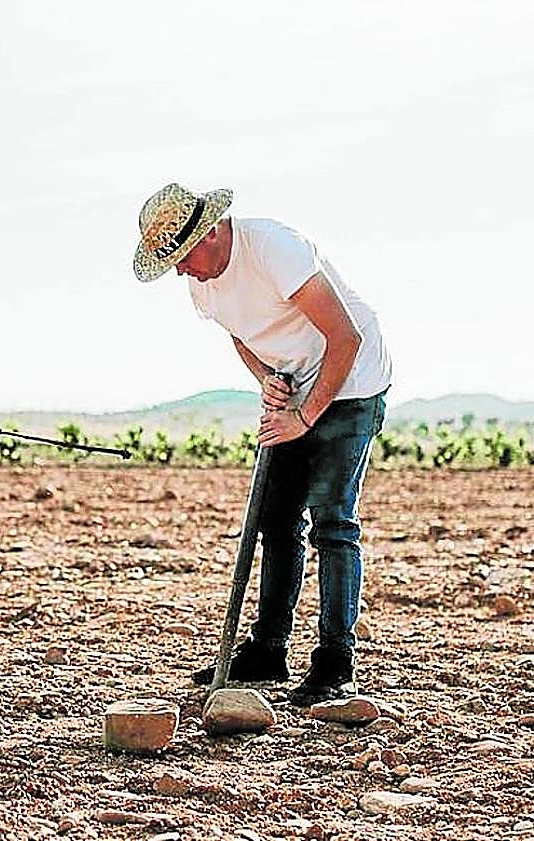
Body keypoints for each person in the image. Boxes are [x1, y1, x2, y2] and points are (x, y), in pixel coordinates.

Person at [133, 183, 392, 706]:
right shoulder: (202, 285)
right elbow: (241, 334)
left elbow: (346, 337)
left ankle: (335, 665)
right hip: (294, 389)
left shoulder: (275, 248)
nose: (181, 272)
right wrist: (267, 378)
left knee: (333, 523)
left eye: (181, 258)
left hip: (352, 381)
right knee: (277, 521)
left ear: (208, 233)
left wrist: (303, 415)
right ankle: (268, 651)